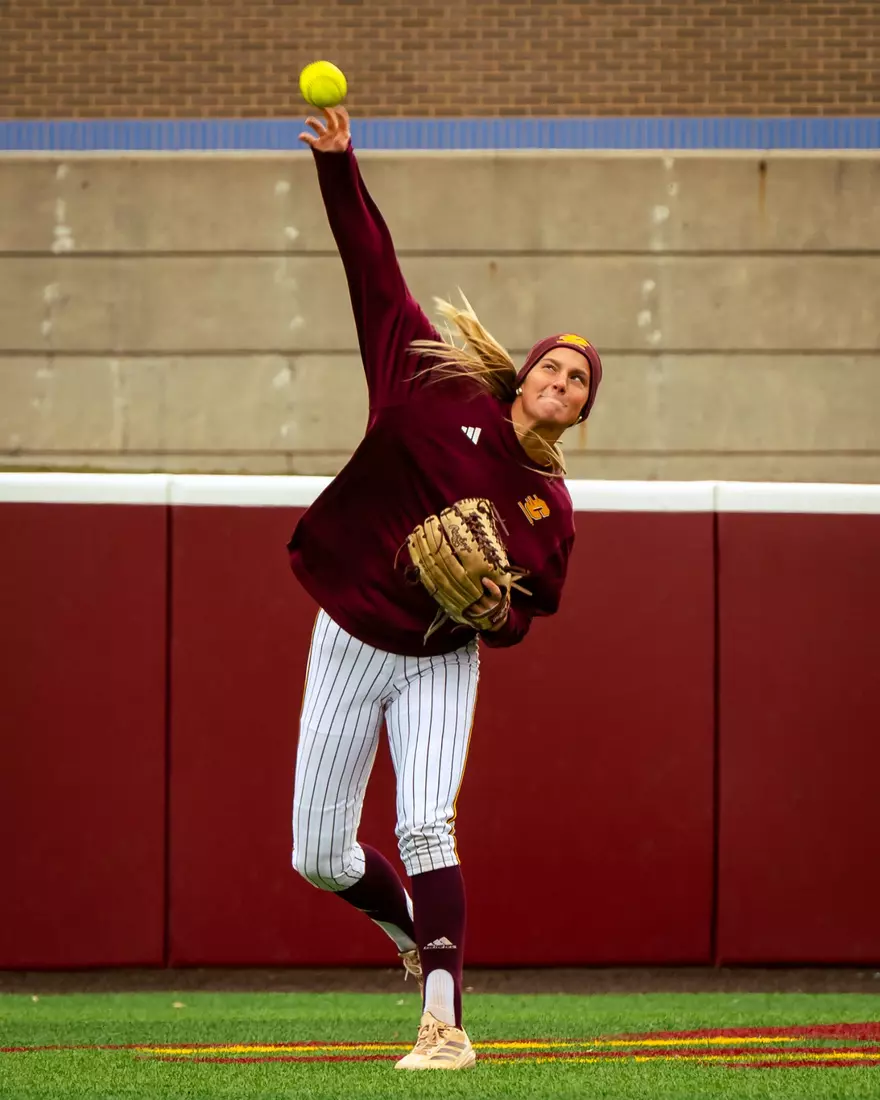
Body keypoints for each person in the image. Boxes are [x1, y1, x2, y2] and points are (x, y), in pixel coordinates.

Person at [287, 106, 603, 1071]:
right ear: (524, 375)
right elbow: (372, 269)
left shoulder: (550, 509)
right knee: (319, 856)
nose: (561, 381)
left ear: (582, 414)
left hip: (438, 658)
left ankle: (444, 1023)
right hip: (350, 633)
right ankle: (407, 928)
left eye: (579, 382)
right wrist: (339, 166)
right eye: (552, 366)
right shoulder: (431, 386)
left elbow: (523, 619)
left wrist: (491, 611)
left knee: (425, 823)